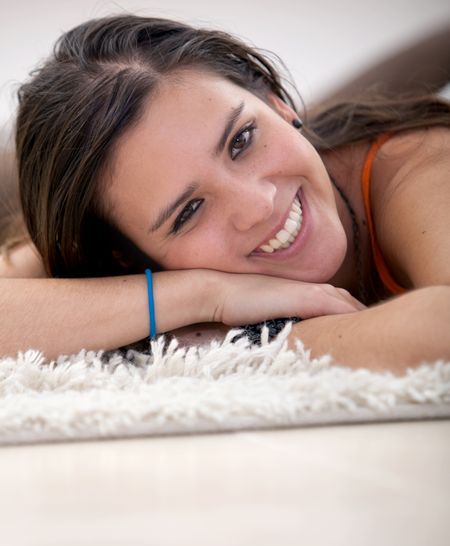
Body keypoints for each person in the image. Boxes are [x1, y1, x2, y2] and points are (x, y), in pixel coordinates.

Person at [0, 15, 449, 371]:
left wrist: (255, 340)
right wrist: (201, 295)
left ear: (276, 100)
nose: (259, 205)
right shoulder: (116, 227)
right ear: (128, 259)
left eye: (241, 140)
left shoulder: (421, 166)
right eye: (189, 210)